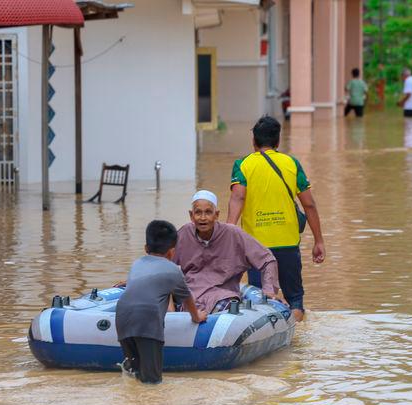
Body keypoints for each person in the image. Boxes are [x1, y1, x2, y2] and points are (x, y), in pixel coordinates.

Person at [227, 116, 326, 322]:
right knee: (295, 299)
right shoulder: (291, 163)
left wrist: (227, 235)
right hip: (288, 243)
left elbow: (238, 197)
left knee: (260, 301)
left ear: (253, 141)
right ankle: (296, 336)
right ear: (278, 141)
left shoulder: (242, 165)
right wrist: (319, 241)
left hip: (257, 248)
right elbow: (309, 204)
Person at [116, 220, 207, 384]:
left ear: (145, 248)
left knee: (133, 375)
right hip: (147, 321)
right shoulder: (173, 270)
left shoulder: (136, 264)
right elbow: (187, 298)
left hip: (122, 319)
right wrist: (196, 316)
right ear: (172, 252)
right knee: (152, 382)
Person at [173, 190, 280, 313]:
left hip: (223, 296)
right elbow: (166, 266)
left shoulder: (233, 233)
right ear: (191, 216)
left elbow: (267, 260)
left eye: (208, 212)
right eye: (198, 213)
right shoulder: (184, 233)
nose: (203, 218)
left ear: (216, 215)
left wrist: (269, 290)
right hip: (190, 296)